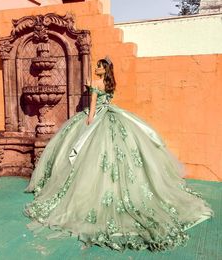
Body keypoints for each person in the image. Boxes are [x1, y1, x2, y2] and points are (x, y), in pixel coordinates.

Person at [24, 57, 213, 252]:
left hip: (97, 116)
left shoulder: (95, 82)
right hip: (112, 114)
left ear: (103, 69)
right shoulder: (109, 82)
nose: (96, 68)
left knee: (86, 154)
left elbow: (93, 107)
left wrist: (88, 123)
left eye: (98, 66)